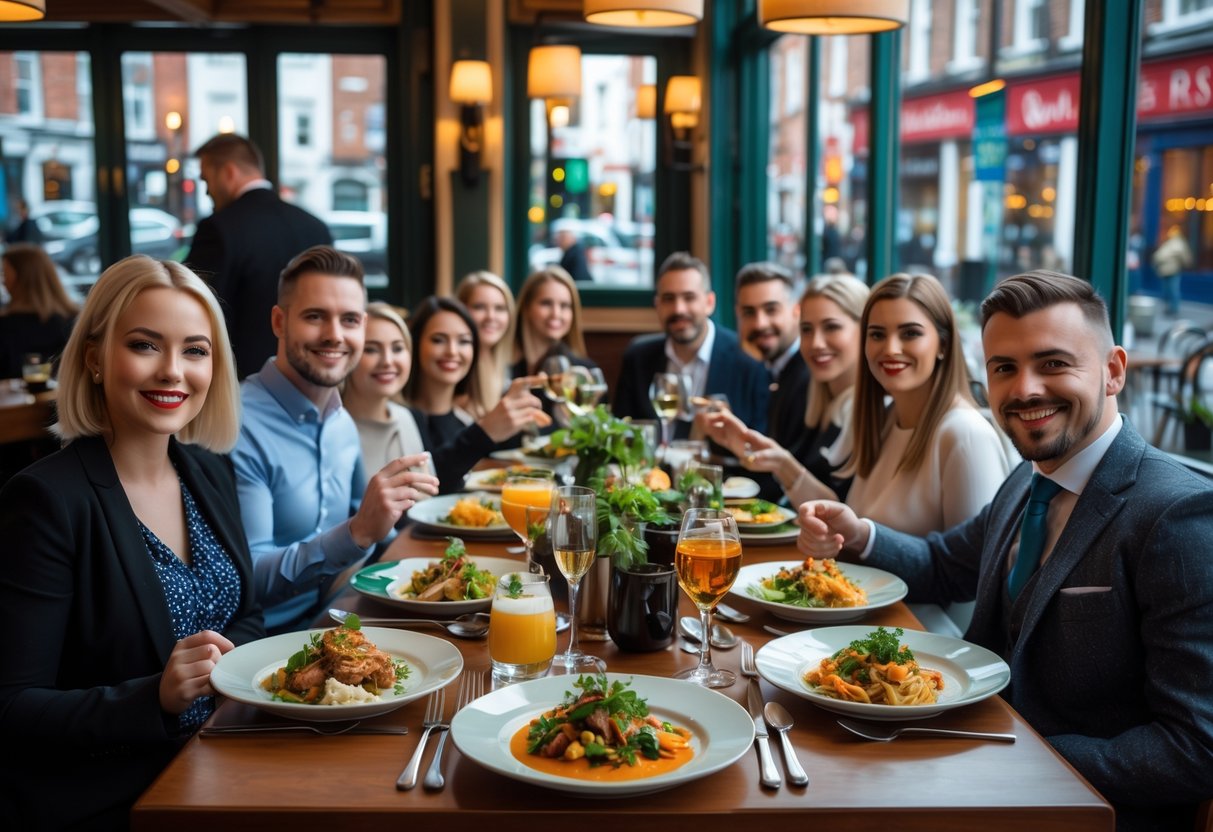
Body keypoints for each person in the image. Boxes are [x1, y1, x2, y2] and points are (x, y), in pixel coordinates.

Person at [797, 271, 1213, 832]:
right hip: (971, 771)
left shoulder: (1176, 515)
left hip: (1076, 809)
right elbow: (946, 566)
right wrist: (861, 532)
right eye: (1004, 368)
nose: (1025, 390)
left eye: (1054, 363)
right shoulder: (1027, 479)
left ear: (1113, 371)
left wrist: (1017, 755)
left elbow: (1194, 746)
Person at [0, 255, 263, 829]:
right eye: (146, 345)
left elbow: (246, 613)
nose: (173, 371)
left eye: (195, 350)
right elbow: (13, 706)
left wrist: (232, 659)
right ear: (94, 358)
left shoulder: (209, 471)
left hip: (225, 764)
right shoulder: (46, 500)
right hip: (120, 799)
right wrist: (156, 697)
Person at [231, 246, 438, 632]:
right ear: (279, 322)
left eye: (350, 320)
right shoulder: (239, 426)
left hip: (341, 615)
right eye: (315, 317)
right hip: (264, 645)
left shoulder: (341, 421)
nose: (334, 335)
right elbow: (249, 579)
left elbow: (375, 526)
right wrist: (356, 533)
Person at [839, 272, 1008, 535]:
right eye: (877, 335)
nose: (891, 349)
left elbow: (974, 568)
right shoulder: (885, 418)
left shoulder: (965, 434)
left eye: (910, 333)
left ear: (943, 344)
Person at [700, 274, 869, 504]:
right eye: (807, 330)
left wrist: (781, 464)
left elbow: (845, 515)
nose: (816, 343)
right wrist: (743, 447)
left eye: (832, 327)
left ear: (867, 331)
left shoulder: (872, 414)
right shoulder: (821, 401)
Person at [186, 133, 332, 379]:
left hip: (240, 381)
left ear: (229, 172)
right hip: (310, 374)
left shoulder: (219, 228)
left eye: (206, 180)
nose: (207, 192)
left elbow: (193, 309)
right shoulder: (316, 227)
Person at [612, 251, 770, 438]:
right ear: (657, 305)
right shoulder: (638, 357)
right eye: (669, 299)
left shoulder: (747, 361)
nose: (679, 309)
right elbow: (620, 433)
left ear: (709, 303)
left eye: (689, 297)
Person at [403, 295, 550, 490]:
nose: (452, 351)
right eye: (438, 340)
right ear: (415, 344)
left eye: (464, 341)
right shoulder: (402, 419)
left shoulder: (463, 420)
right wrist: (485, 430)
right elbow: (424, 485)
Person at [733, 261, 807, 454]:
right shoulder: (762, 367)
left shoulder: (811, 372)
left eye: (771, 310)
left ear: (796, 312)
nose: (760, 323)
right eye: (749, 312)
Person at [0, 243, 78, 378]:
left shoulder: (6, 326)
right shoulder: (74, 320)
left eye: (5, 274)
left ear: (21, 279)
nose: (3, 282)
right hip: (63, 398)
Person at [511, 265, 598, 377]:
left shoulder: (586, 372)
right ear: (526, 307)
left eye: (564, 306)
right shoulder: (503, 367)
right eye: (546, 303)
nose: (556, 314)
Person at [455, 270, 516, 418]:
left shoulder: (507, 366)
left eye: (500, 308)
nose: (491, 317)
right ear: (460, 310)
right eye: (479, 307)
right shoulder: (454, 368)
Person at [1151, 223, 1193, 317]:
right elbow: (1159, 256)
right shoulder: (1171, 243)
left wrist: (1187, 264)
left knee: (1172, 290)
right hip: (1167, 270)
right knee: (1169, 290)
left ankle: (1172, 309)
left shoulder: (1176, 243)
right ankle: (1170, 309)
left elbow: (1184, 257)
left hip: (1171, 270)